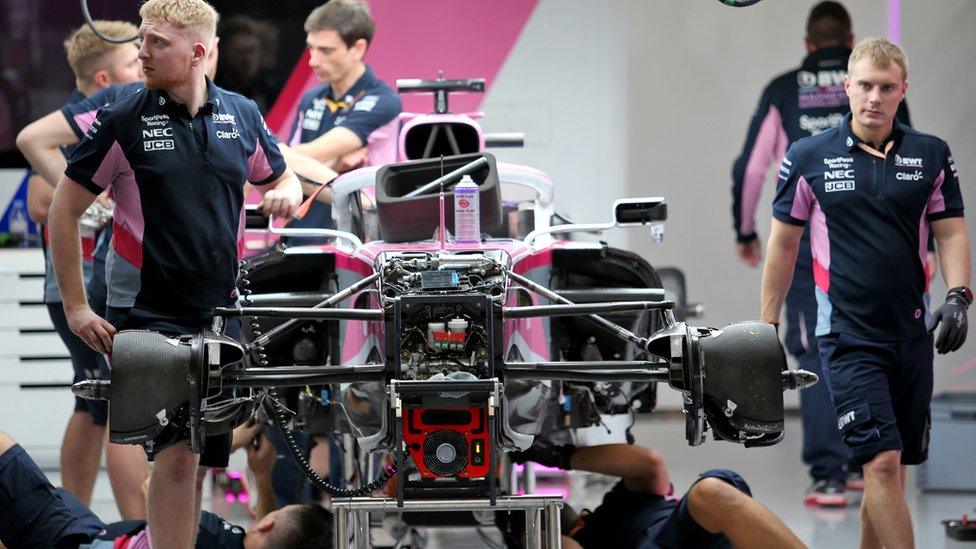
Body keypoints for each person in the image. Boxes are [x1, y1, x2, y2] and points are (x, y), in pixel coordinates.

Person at [44, 0, 303, 546]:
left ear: (199, 53)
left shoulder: (242, 114)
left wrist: (284, 193)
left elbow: (284, 179)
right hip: (146, 312)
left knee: (202, 457)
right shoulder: (123, 118)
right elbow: (62, 213)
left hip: (220, 312)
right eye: (142, 39)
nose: (141, 51)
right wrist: (76, 307)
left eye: (157, 42)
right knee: (177, 456)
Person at [761, 37, 970, 548]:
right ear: (848, 87)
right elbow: (783, 244)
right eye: (865, 86)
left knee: (891, 469)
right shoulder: (808, 157)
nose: (874, 97)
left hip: (912, 335)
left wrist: (959, 296)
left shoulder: (931, 154)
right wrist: (767, 327)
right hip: (847, 338)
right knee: (879, 463)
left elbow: (951, 232)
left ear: (902, 91)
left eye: (886, 87)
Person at [730, 1, 913, 507]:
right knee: (877, 347)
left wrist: (744, 230)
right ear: (850, 39)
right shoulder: (886, 86)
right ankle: (868, 461)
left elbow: (751, 169)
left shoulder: (784, 88)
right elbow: (911, 168)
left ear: (809, 44)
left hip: (815, 248)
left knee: (817, 349)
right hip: (883, 247)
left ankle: (830, 474)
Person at [18, 20, 150, 519]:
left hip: (88, 282)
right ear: (104, 81)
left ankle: (75, 518)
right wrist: (99, 202)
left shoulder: (97, 119)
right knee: (121, 408)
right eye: (133, 62)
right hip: (83, 281)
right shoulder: (92, 122)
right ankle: (134, 529)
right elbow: (38, 200)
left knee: (92, 407)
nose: (143, 67)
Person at [0, 430, 331, 548]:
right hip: (94, 532)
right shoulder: (234, 541)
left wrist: (219, 449)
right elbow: (266, 534)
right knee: (52, 495)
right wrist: (261, 476)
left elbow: (151, 490)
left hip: (71, 541)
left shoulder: (206, 538)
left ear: (267, 524)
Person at [510, 440, 805, 548]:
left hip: (687, 536)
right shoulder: (588, 533)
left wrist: (556, 455)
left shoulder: (620, 504)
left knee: (714, 492)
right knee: (712, 493)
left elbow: (649, 463)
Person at [285, 0, 402, 240]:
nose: (313, 61)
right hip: (302, 231)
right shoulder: (310, 99)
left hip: (360, 237)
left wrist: (287, 162)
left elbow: (286, 159)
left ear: (358, 49)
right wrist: (338, 164)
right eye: (311, 48)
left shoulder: (383, 101)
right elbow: (286, 166)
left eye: (326, 51)